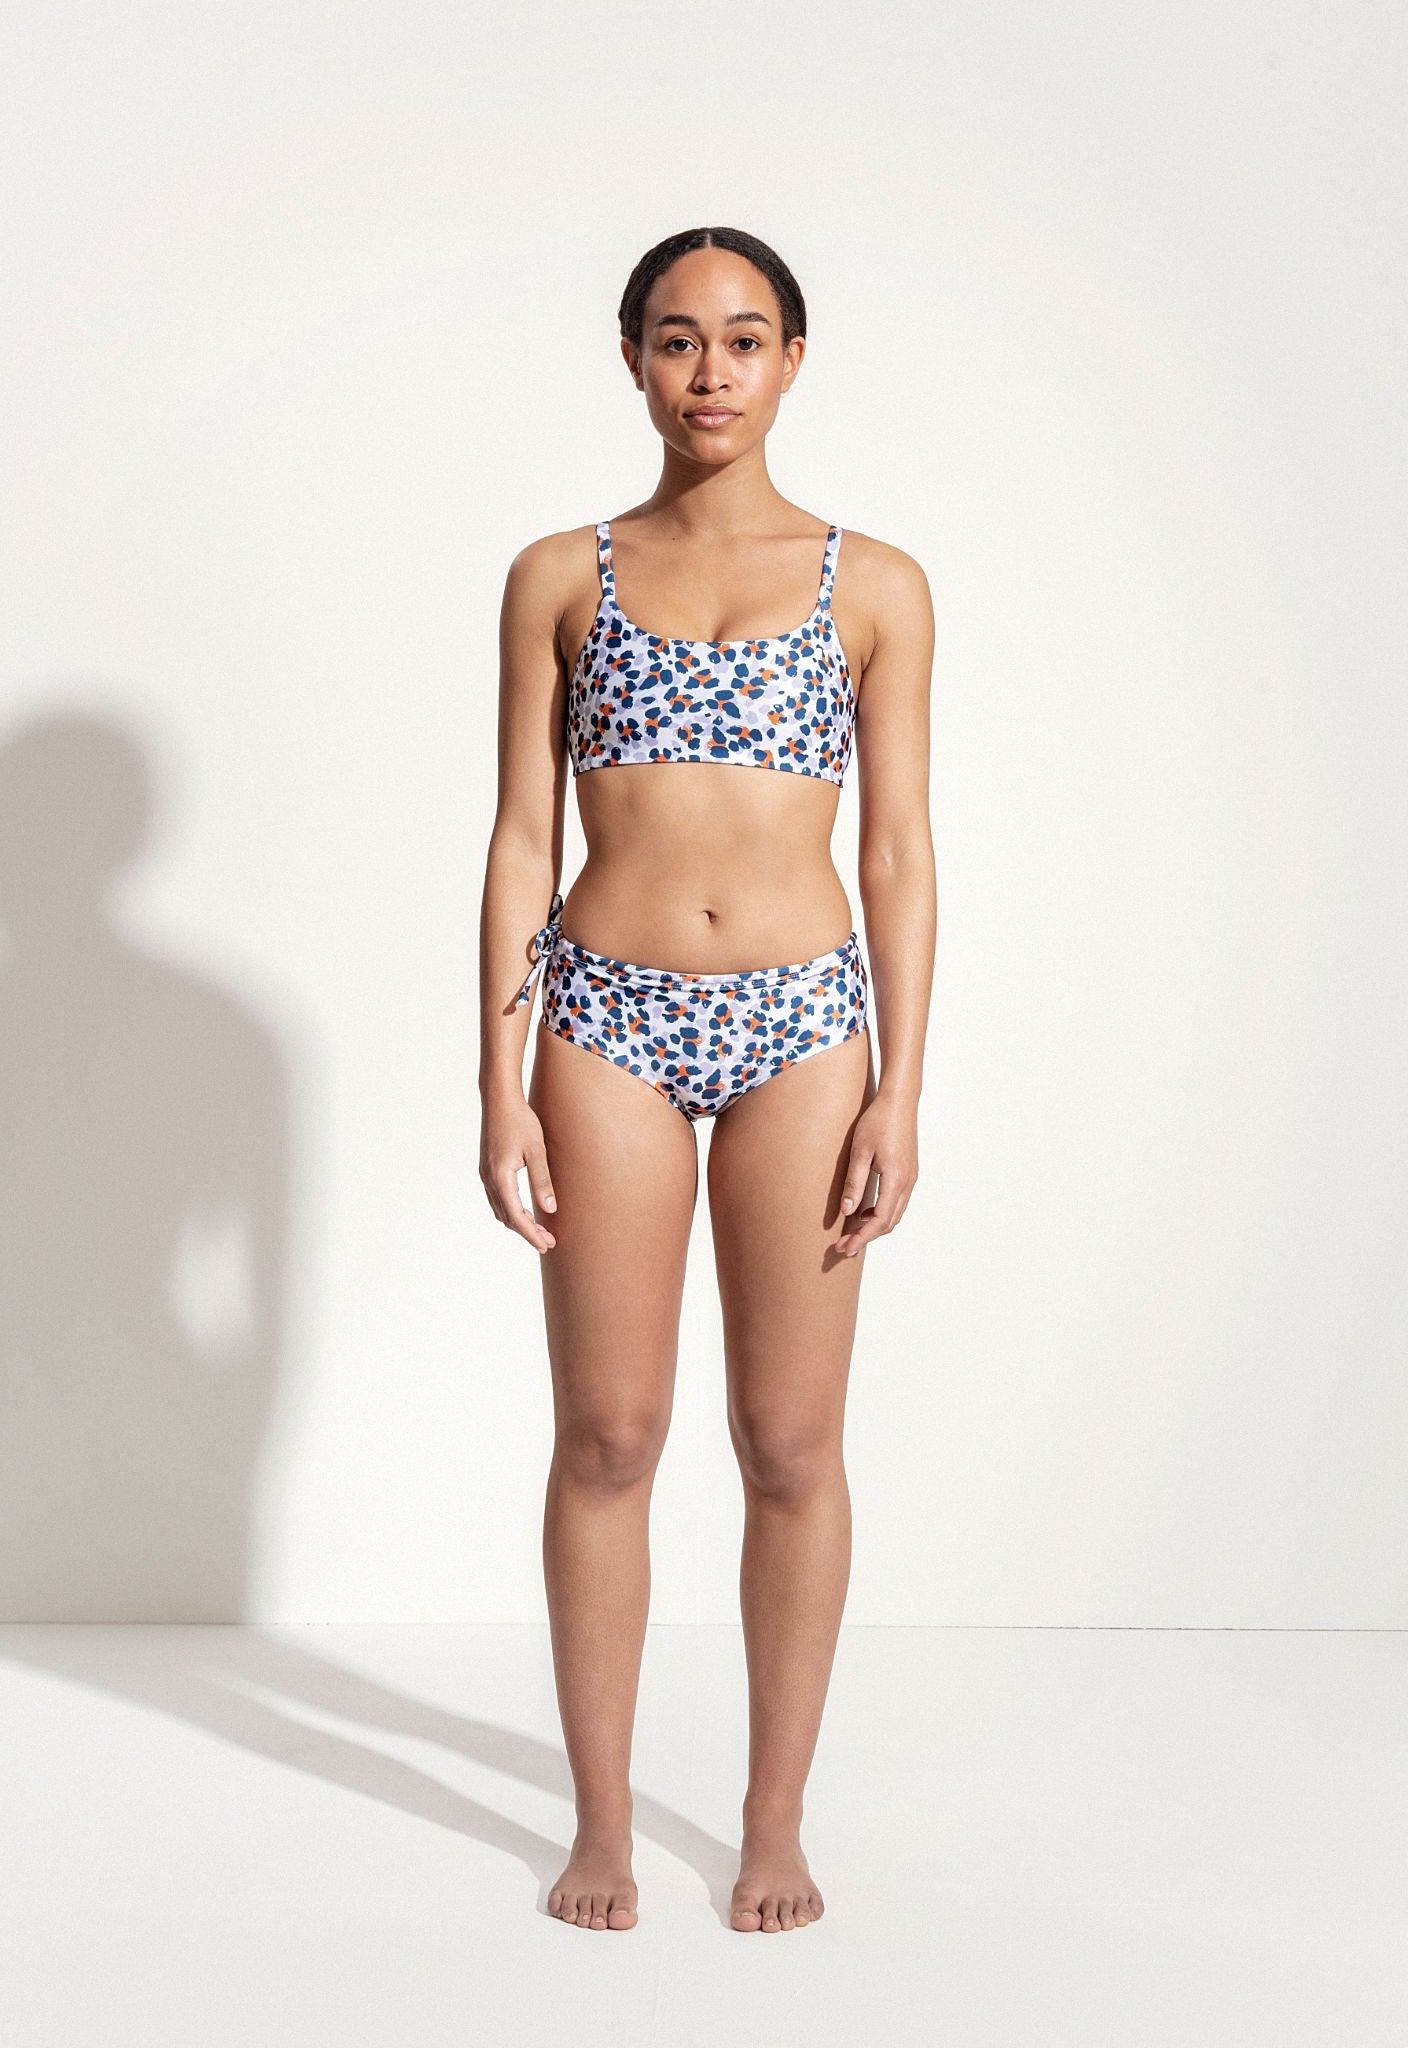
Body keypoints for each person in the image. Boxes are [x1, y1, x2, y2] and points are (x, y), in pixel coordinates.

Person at [477, 225, 936, 1934]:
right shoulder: (560, 575)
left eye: (745, 339)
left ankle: (772, 1821)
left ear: (793, 362)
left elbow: (899, 851)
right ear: (633, 361)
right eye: (677, 339)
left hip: (805, 1028)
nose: (712, 371)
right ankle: (600, 1826)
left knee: (789, 1442)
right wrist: (497, 1080)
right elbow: (521, 841)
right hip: (604, 1016)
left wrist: (902, 1086)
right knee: (609, 1433)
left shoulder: (873, 584)